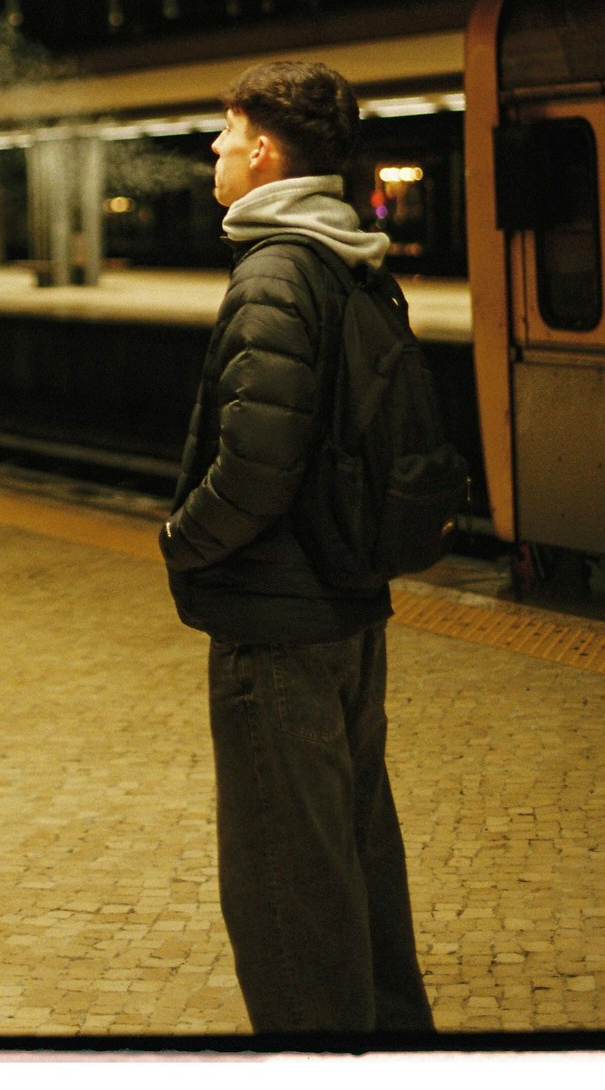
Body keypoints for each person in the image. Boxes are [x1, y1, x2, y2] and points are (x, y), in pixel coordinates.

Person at [158, 59, 434, 1038]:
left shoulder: (273, 271)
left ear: (264, 149)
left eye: (224, 133)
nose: (214, 150)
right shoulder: (348, 256)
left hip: (275, 632)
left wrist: (182, 543)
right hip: (345, 609)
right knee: (356, 865)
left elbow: (255, 463)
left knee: (286, 892)